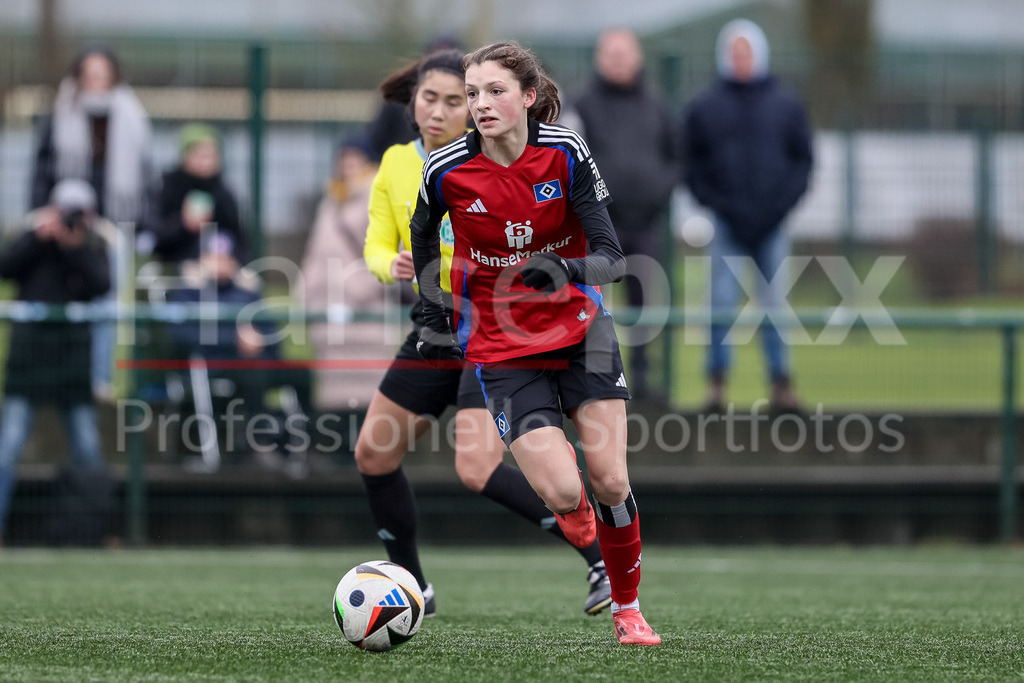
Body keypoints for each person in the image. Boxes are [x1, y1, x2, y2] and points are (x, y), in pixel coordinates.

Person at [410, 41, 661, 645]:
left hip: (582, 335)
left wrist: (564, 268)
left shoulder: (566, 153)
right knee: (564, 490)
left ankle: (629, 611)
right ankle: (575, 517)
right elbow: (422, 241)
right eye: (472, 94)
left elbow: (612, 259)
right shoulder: (445, 170)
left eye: (494, 91)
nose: (480, 104)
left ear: (527, 97)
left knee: (612, 481)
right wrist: (432, 313)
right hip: (501, 347)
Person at [356, 48, 612, 619]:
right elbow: (377, 242)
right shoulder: (403, 164)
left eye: (459, 99)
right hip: (435, 325)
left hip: (488, 326)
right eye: (434, 98)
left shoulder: (491, 159)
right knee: (373, 453)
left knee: (475, 468)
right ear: (414, 103)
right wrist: (389, 266)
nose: (445, 109)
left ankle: (598, 558)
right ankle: (414, 588)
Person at [680, 19, 814, 414]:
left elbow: (802, 162)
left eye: (747, 51)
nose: (741, 59)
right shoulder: (704, 106)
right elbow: (692, 164)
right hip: (727, 222)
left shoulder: (786, 104)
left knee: (775, 305)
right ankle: (717, 387)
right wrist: (720, 204)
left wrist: (778, 208)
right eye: (735, 52)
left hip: (773, 223)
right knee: (720, 302)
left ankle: (781, 386)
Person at [30, 46, 153, 402]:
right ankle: (53, 375)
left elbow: (146, 176)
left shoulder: (131, 116)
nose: (96, 80)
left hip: (115, 226)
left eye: (102, 73)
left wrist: (143, 224)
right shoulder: (60, 116)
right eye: (89, 73)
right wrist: (44, 213)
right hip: (69, 225)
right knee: (61, 300)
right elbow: (41, 170)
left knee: (109, 303)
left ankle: (100, 379)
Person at [0, 179, 114, 547]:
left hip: (71, 358)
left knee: (86, 446)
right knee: (9, 445)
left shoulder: (94, 244)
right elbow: (6, 269)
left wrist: (72, 247)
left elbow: (101, 285)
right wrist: (38, 238)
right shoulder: (32, 238)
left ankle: (97, 529)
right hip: (30, 356)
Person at [573, 27, 678, 402]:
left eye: (624, 53)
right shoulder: (583, 105)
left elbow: (674, 156)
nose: (618, 61)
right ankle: (596, 380)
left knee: (644, 302)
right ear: (600, 59)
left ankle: (644, 379)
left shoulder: (657, 104)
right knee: (593, 302)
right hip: (600, 223)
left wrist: (658, 189)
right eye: (611, 54)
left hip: (645, 223)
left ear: (637, 57)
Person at [168, 233, 312, 469]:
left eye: (225, 257)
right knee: (253, 372)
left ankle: (302, 446)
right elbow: (181, 336)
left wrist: (260, 340)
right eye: (213, 257)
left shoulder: (247, 293)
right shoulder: (187, 293)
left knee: (301, 373)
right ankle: (262, 442)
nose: (220, 263)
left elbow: (269, 330)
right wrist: (234, 340)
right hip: (216, 365)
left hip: (257, 361)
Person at [301, 134, 390, 415]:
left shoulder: (379, 198)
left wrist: (357, 288)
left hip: (365, 308)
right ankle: (337, 445)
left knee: (366, 386)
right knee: (333, 388)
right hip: (328, 306)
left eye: (355, 159)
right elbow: (316, 252)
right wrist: (305, 292)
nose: (348, 166)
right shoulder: (330, 202)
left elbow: (388, 250)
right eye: (344, 159)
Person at [153, 123, 248, 266]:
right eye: (201, 155)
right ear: (185, 156)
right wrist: (183, 224)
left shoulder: (224, 194)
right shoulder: (168, 187)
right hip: (179, 268)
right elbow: (157, 240)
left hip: (220, 269)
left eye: (211, 156)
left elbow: (240, 240)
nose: (207, 163)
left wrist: (231, 262)